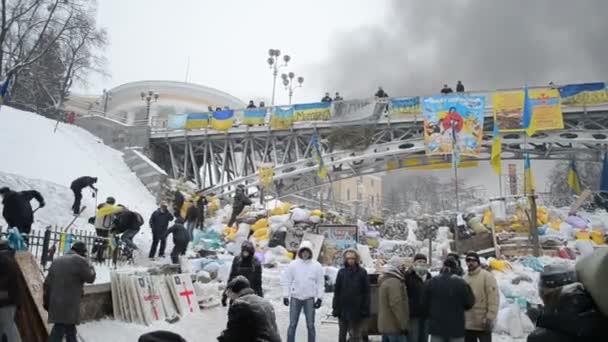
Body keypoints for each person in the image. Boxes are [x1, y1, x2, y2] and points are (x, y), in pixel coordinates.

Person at [44, 241, 96, 342]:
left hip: (55, 302)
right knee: (58, 331)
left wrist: (47, 301)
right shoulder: (80, 260)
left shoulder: (57, 260)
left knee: (70, 330)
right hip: (69, 305)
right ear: (82, 253)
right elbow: (91, 278)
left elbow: (47, 283)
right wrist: (90, 265)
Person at [281, 240, 325, 342]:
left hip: (309, 298)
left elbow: (320, 283)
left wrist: (319, 298)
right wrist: (285, 295)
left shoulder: (316, 266)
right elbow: (287, 280)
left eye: (307, 252)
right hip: (295, 297)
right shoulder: (293, 265)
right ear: (300, 252)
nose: (305, 254)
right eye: (303, 251)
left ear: (310, 253)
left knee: (310, 325)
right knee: (292, 324)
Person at [423, 257, 475, 342]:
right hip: (456, 328)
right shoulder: (461, 283)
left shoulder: (431, 282)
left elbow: (424, 303)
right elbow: (469, 303)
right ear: (456, 268)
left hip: (437, 328)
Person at [218, 276, 281, 342]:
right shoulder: (265, 302)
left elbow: (234, 334)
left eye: (228, 294)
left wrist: (223, 336)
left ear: (231, 291)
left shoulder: (239, 304)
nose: (230, 298)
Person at [332, 249, 370, 342]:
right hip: (343, 309)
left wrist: (365, 308)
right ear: (345, 259)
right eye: (348, 258)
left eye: (353, 258)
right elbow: (337, 292)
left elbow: (366, 292)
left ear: (356, 259)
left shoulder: (362, 272)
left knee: (355, 335)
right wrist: (335, 308)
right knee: (342, 334)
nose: (350, 260)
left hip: (357, 309)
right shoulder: (341, 272)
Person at [463, 252, 499, 342]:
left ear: (478, 262)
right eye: (468, 260)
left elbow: (493, 298)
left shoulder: (487, 276)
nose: (470, 263)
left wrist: (490, 317)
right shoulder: (464, 278)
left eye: (473, 260)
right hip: (468, 323)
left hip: (483, 322)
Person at [377, 256, 409, 342]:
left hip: (386, 325)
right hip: (394, 326)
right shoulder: (394, 282)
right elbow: (396, 304)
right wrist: (403, 325)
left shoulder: (386, 280)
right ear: (397, 267)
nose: (404, 269)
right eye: (402, 266)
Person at [222, 240, 263, 306]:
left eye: (247, 252)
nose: (245, 254)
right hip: (237, 293)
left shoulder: (256, 263)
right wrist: (225, 295)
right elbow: (231, 277)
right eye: (244, 252)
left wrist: (261, 299)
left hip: (250, 294)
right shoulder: (237, 260)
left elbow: (258, 283)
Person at [405, 253, 432, 342]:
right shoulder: (409, 275)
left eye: (424, 262)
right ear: (414, 262)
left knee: (424, 338)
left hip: (426, 313)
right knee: (413, 337)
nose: (422, 263)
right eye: (419, 261)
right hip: (413, 313)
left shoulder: (428, 276)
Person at [0, 240, 21, 342]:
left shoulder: (3, 259)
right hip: (9, 298)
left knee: (8, 327)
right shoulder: (8, 257)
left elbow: (5, 281)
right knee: (7, 325)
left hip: (5, 299)